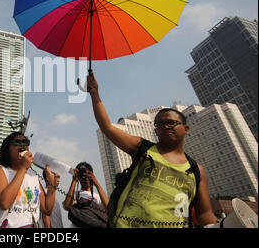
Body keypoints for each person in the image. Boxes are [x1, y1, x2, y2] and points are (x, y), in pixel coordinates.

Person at [86, 72, 219, 228]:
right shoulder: (143, 149)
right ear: (156, 131)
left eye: (171, 122)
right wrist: (94, 93)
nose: (166, 126)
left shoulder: (196, 170)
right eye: (160, 124)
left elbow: (205, 214)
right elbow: (107, 128)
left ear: (186, 128)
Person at [0, 132, 59, 228]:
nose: (22, 145)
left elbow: (47, 209)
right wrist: (23, 169)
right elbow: (4, 203)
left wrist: (51, 186)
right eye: (17, 142)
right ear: (7, 148)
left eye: (26, 142)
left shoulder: (32, 175)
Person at [63, 162, 109, 227]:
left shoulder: (98, 197)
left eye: (88, 174)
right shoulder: (75, 194)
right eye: (82, 175)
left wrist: (96, 183)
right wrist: (74, 181)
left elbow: (109, 208)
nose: (85, 178)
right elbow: (67, 206)